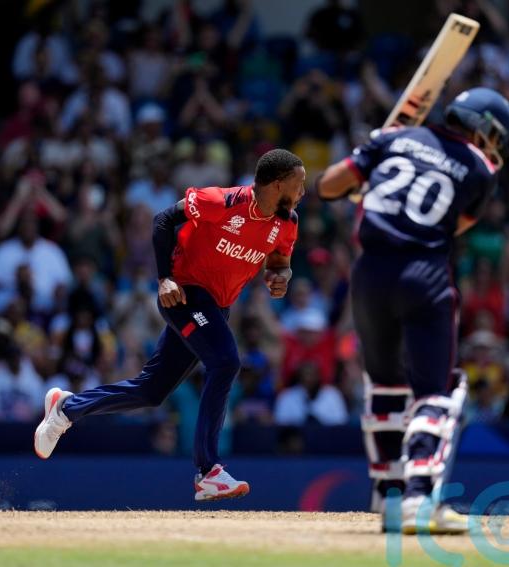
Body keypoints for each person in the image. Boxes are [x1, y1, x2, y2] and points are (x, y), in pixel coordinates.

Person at [35, 149, 306, 502]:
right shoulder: (220, 202)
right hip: (184, 296)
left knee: (151, 391)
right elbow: (163, 220)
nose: (303, 192)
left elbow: (279, 262)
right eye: (299, 185)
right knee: (225, 361)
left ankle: (67, 409)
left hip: (216, 307)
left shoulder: (287, 222)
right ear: (277, 184)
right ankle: (208, 471)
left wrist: (278, 277)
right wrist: (164, 279)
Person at [317, 87, 509, 533]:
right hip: (422, 274)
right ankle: (419, 498)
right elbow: (455, 225)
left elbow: (327, 186)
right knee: (436, 391)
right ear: (483, 129)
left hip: (368, 276)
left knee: (384, 387)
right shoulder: (480, 170)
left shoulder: (389, 140)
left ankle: (387, 499)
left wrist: (368, 166)